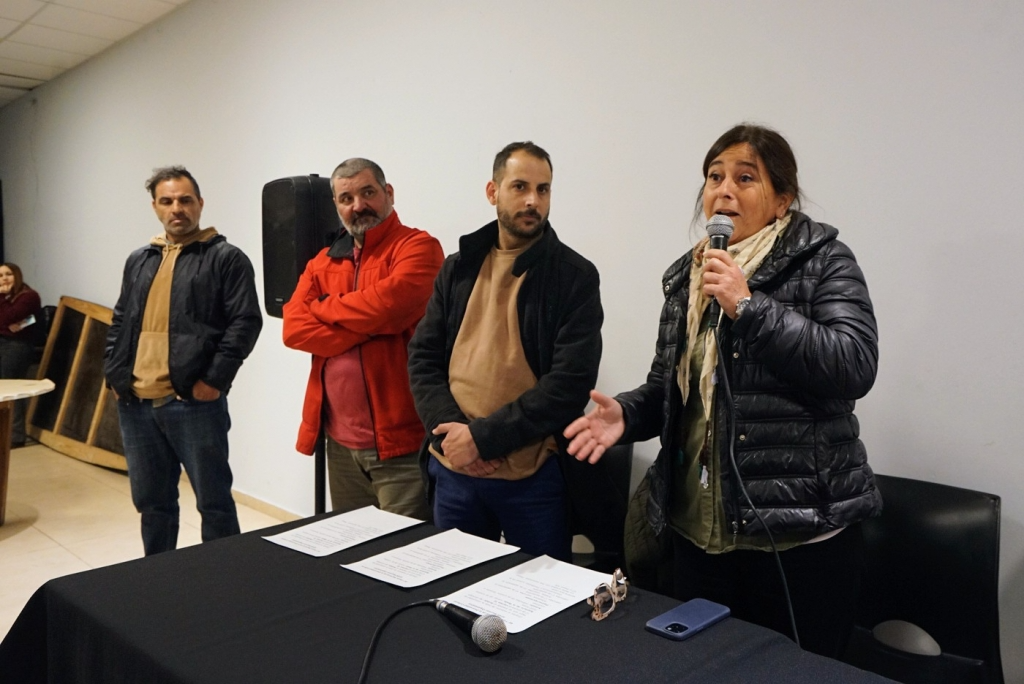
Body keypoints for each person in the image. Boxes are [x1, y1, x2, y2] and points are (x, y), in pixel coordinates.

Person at [564, 124, 880, 658]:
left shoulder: (825, 260)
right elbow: (672, 389)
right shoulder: (690, 278)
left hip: (795, 539)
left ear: (782, 199)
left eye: (745, 177)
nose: (724, 190)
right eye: (715, 177)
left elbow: (854, 365)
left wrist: (748, 307)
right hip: (700, 535)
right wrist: (629, 414)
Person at [408, 141, 603, 562]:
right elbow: (423, 358)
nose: (533, 200)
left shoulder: (574, 277)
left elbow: (569, 385)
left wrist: (482, 440)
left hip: (532, 479)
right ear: (492, 191)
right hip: (455, 470)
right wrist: (455, 437)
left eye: (543, 189)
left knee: (541, 596)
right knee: (453, 587)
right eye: (520, 187)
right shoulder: (458, 268)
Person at [105, 166, 263, 556]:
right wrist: (115, 374)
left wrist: (214, 381)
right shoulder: (140, 259)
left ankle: (224, 581)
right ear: (155, 207)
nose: (177, 208)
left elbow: (245, 323)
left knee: (214, 503)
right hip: (136, 404)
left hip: (193, 404)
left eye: (185, 200)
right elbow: (121, 319)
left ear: (200, 203)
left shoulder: (225, 258)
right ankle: (160, 580)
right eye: (167, 201)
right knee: (153, 505)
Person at [283, 159, 443, 518]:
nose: (358, 205)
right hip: (340, 445)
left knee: (406, 548)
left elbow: (389, 306)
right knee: (353, 544)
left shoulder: (418, 248)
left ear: (389, 193)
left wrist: (323, 306)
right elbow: (294, 329)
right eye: (346, 198)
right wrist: (372, 326)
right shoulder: (322, 262)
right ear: (336, 205)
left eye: (368, 192)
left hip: (401, 445)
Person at [0, 263, 43, 447]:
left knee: (11, 388)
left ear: (17, 275)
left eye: (8, 274)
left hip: (16, 346)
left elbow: (10, 317)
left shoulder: (28, 295)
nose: (4, 279)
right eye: (0, 275)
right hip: (4, 341)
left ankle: (16, 436)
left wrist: (2, 298)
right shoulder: (6, 297)